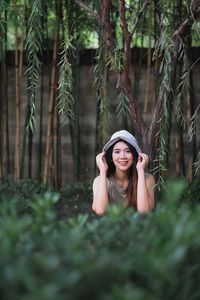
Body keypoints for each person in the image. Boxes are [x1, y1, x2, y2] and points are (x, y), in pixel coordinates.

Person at [92, 130, 155, 215]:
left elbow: (144, 211)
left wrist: (140, 171)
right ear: (111, 156)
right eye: (117, 152)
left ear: (134, 155)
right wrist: (103, 171)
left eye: (128, 151)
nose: (122, 156)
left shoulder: (147, 179)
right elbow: (100, 211)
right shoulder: (99, 180)